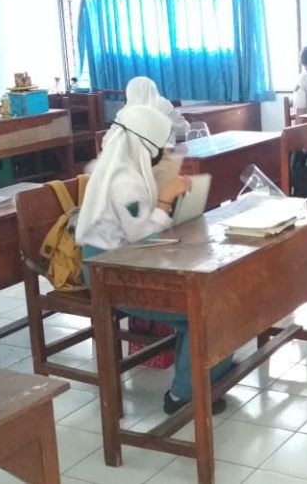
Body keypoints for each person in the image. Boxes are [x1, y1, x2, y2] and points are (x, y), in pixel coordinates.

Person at [75, 104, 232, 415]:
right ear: (143, 143)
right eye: (159, 146)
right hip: (111, 273)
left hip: (132, 261)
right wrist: (166, 197)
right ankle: (183, 394)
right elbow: (140, 235)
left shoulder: (129, 170)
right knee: (205, 309)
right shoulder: (123, 180)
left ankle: (210, 369)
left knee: (219, 297)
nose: (163, 152)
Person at [114, 76, 189, 147]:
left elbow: (108, 140)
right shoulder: (162, 106)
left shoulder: (124, 112)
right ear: (154, 90)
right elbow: (183, 128)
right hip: (162, 156)